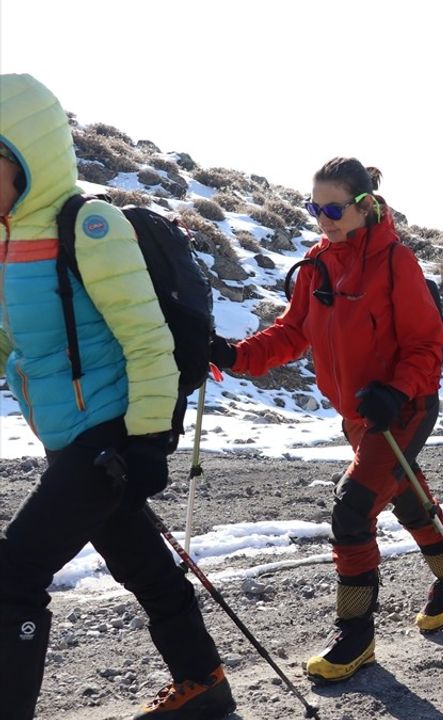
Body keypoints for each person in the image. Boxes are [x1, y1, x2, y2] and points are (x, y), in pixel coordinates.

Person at [0, 74, 235, 719]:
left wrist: (149, 441)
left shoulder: (90, 224)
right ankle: (205, 684)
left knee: (12, 577)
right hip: (69, 436)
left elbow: (148, 341)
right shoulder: (10, 238)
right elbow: (12, 341)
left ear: (26, 155)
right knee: (145, 567)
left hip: (107, 438)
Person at [210, 158, 443, 682]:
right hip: (359, 416)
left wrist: (395, 390)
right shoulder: (317, 261)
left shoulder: (396, 263)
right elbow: (291, 332)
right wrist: (235, 355)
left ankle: (355, 634)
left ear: (364, 206)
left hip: (403, 410)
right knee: (405, 494)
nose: (322, 218)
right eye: (314, 207)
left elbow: (427, 345)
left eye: (333, 208)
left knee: (352, 510)